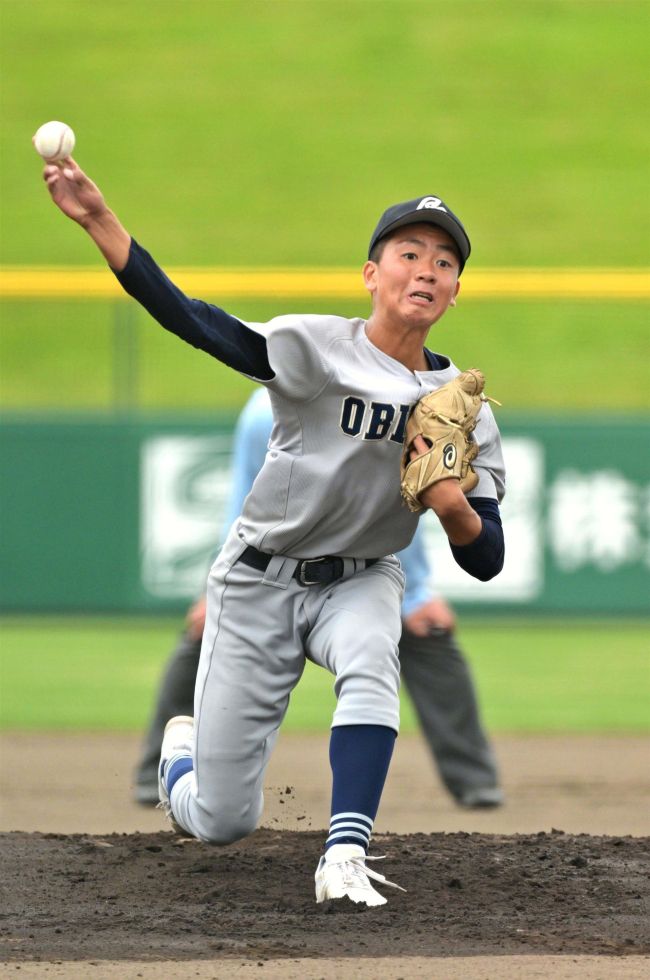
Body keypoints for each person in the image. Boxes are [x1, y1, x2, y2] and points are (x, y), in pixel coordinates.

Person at [42, 161, 506, 907]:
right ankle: (181, 760)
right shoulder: (317, 350)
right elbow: (196, 321)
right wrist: (102, 223)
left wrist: (453, 504)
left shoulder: (468, 415)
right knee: (223, 819)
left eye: (444, 262)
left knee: (370, 657)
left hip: (362, 574)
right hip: (259, 579)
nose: (426, 270)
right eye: (409, 254)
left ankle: (345, 852)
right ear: (371, 272)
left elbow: (488, 559)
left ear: (456, 290)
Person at [134, 386, 503, 810]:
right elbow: (244, 505)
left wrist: (416, 593)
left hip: (360, 563)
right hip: (270, 565)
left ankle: (473, 779)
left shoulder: (390, 404)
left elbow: (395, 505)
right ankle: (158, 770)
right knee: (205, 637)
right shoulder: (264, 413)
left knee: (426, 632)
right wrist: (212, 590)